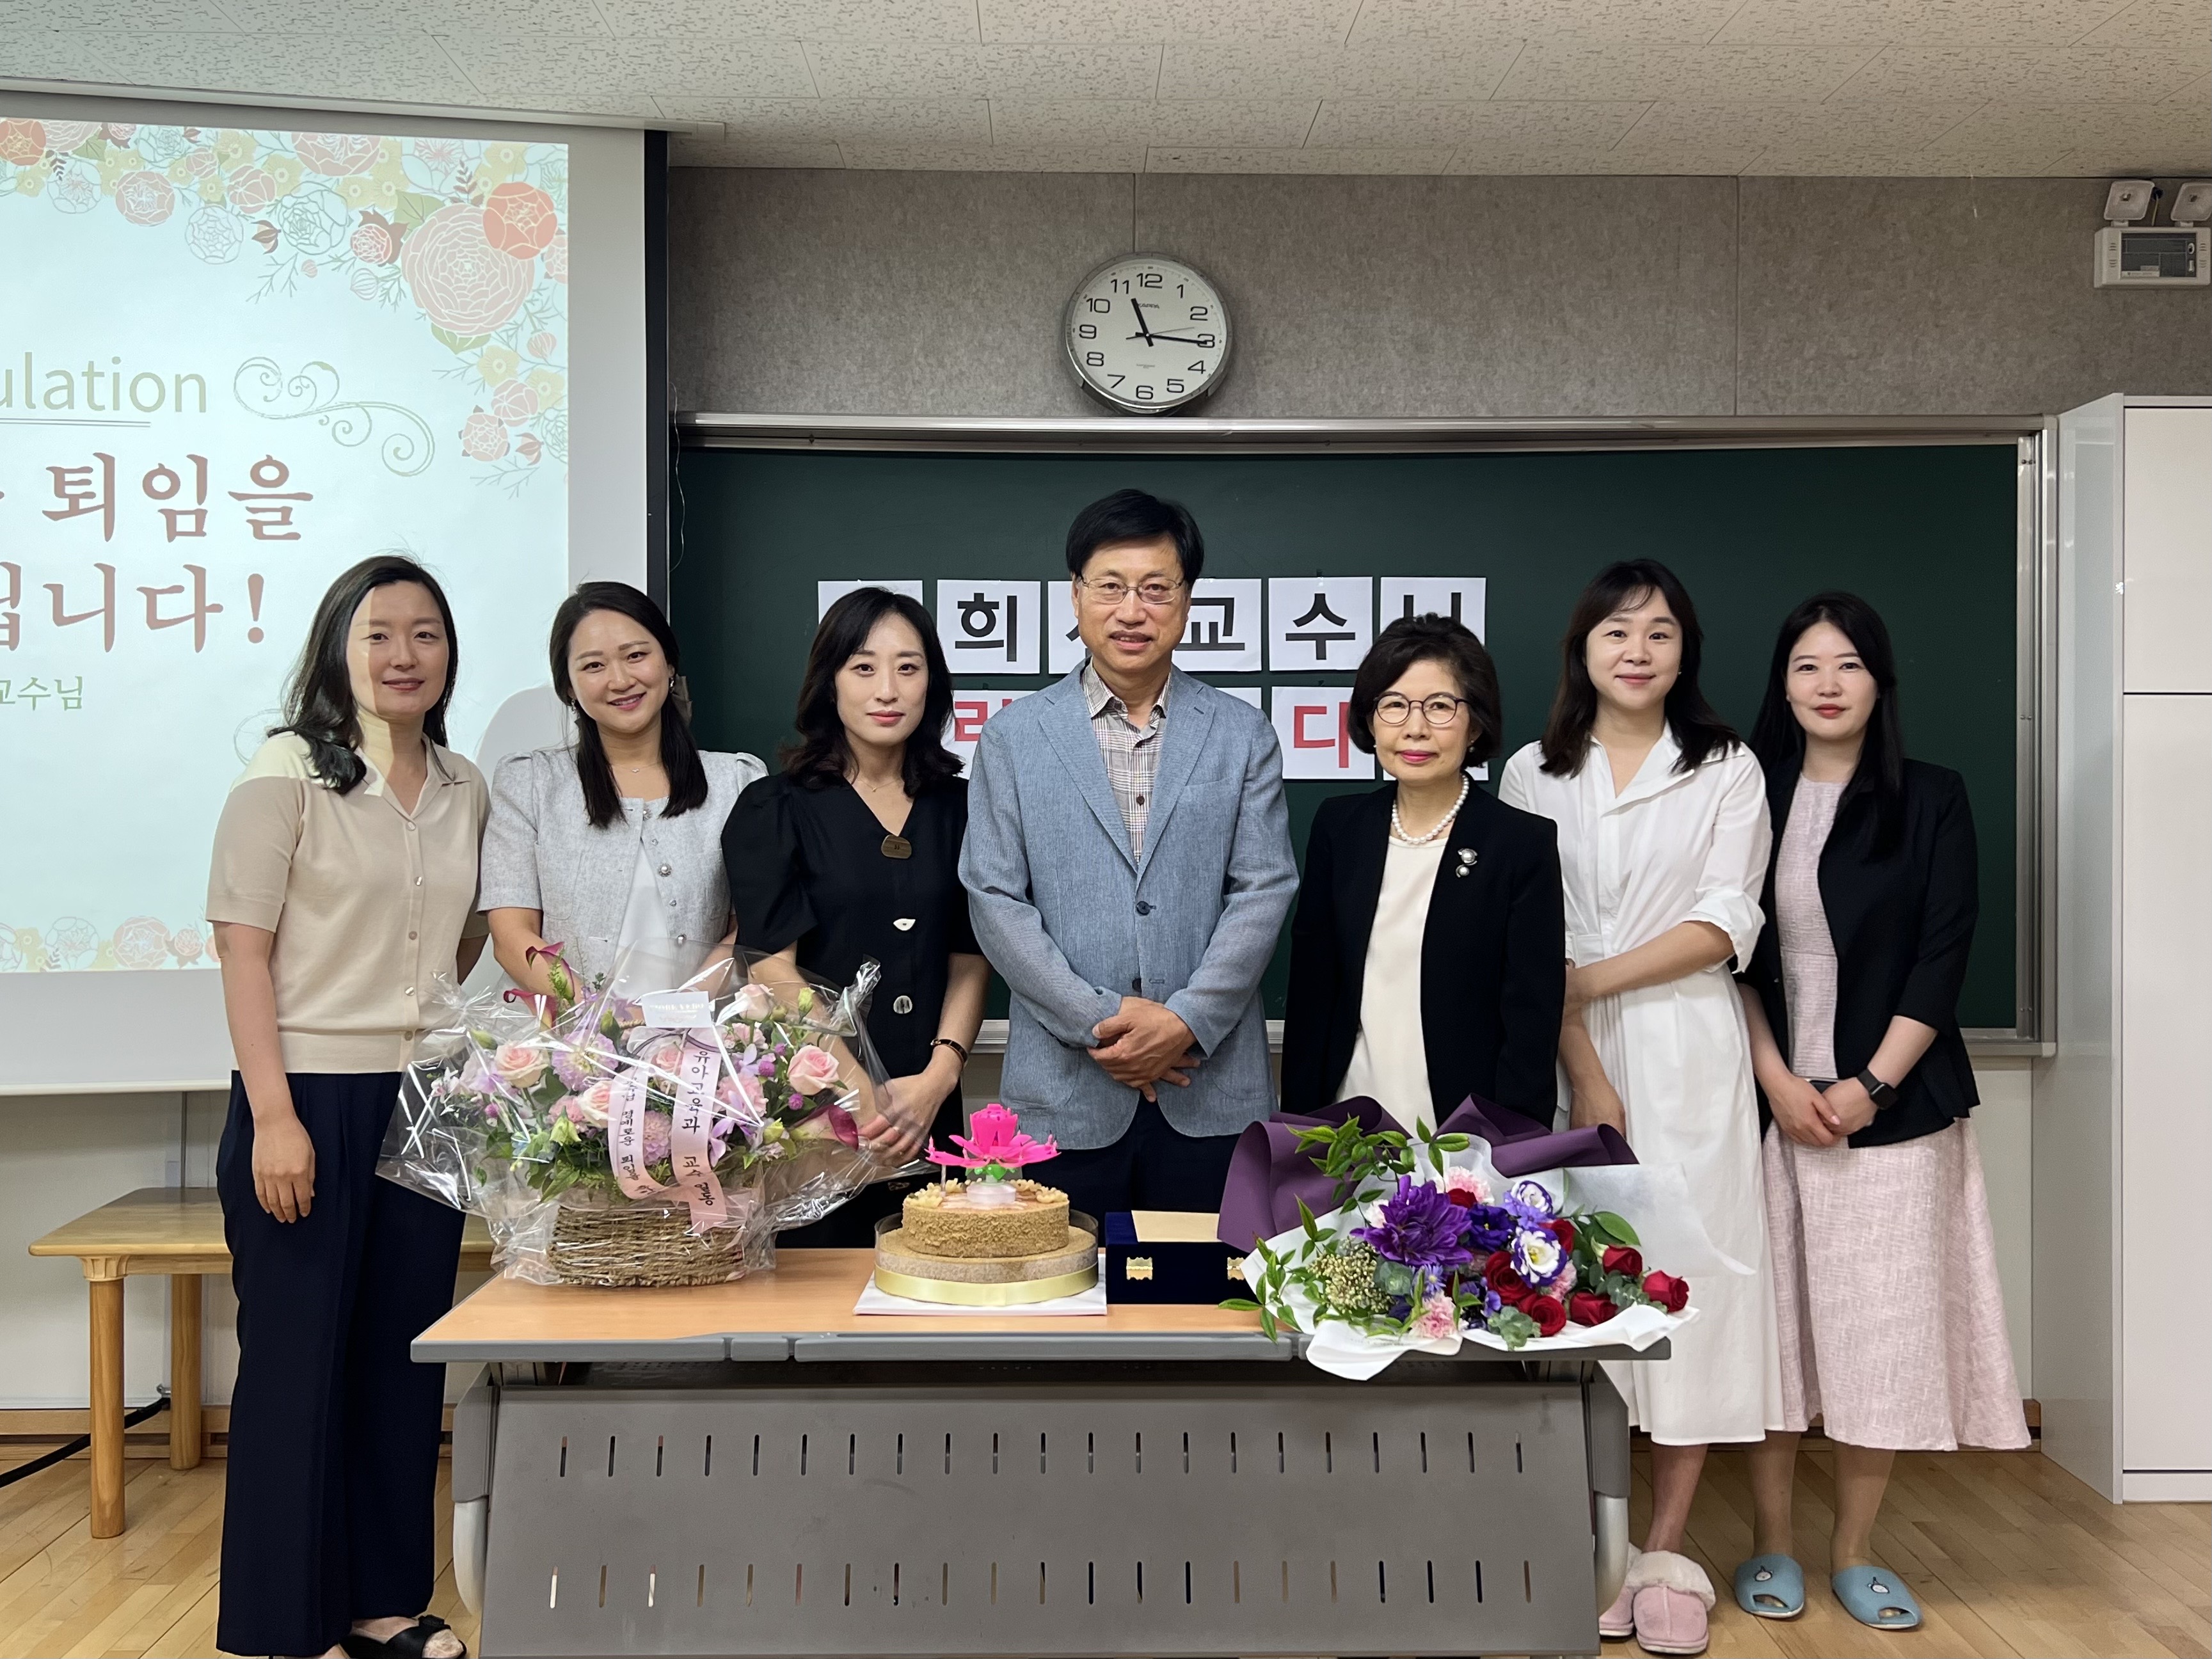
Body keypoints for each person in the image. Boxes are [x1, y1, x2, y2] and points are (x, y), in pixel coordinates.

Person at [1499, 558, 1783, 1659]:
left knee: (1689, 1284)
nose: (1636, 649)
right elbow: (1531, 929)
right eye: (1615, 630)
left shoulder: (1725, 765)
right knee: (1570, 1283)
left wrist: (1586, 987)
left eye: (1659, 632)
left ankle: (1663, 1551)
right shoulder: (1533, 769)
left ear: (1683, 651)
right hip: (1563, 1048)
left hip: (1687, 1045)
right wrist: (1581, 1058)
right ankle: (1591, 1545)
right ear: (1581, 648)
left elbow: (1725, 920)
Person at [206, 555, 485, 1659]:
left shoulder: (464, 785)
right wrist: (275, 1117)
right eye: (378, 634)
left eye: (425, 633)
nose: (403, 655)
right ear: (338, 649)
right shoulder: (285, 771)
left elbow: (463, 938)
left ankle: (381, 1605)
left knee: (399, 1360)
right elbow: (243, 950)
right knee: (296, 1367)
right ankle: (285, 1626)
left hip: (428, 1098)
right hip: (308, 1092)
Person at [1732, 593, 2027, 1633]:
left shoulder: (1931, 796)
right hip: (1768, 1104)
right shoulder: (1745, 791)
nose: (1827, 683)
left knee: (1881, 1335)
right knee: (1776, 1338)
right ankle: (1771, 1542)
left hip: (1893, 1112)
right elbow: (1731, 957)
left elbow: (1943, 953)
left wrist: (1868, 1085)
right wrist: (1778, 1079)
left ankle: (1854, 1550)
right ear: (1781, 684)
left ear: (1878, 681)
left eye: (1848, 664)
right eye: (1806, 665)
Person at [961, 488, 1298, 1225]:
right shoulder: (1014, 737)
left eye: (1155, 588)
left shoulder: (1242, 733)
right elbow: (993, 898)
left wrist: (1184, 1021)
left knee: (1213, 1287)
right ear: (1076, 596)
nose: (1131, 610)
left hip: (1208, 1087)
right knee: (1057, 1286)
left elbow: (1264, 888)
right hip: (1063, 1094)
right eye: (1110, 586)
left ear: (1187, 599)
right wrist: (1101, 1020)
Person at [723, 587, 988, 1244]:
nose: (887, 690)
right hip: (817, 1112)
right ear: (830, 682)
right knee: (818, 1288)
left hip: (931, 1108)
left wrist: (940, 1077)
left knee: (933, 1282)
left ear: (932, 682)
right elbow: (771, 967)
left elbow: (971, 956)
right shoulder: (774, 808)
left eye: (908, 667)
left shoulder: (966, 808)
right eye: (863, 667)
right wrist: (861, 1095)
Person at [1284, 612, 1564, 1129]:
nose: (1415, 728)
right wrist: (1301, 1128)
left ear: (1474, 723)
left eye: (1439, 706)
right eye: (1394, 705)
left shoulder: (1519, 843)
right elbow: (1312, 993)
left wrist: (1509, 1148)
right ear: (1370, 721)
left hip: (1466, 1135)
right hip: (1347, 1124)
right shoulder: (1340, 827)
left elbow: (1531, 1019)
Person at [480, 581, 763, 999]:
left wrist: (676, 1018)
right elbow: (512, 936)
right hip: (561, 1034)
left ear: (669, 663)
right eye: (594, 665)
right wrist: (596, 1019)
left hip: (701, 1032)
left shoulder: (737, 782)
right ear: (569, 686)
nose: (620, 680)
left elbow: (751, 928)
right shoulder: (530, 783)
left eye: (636, 656)